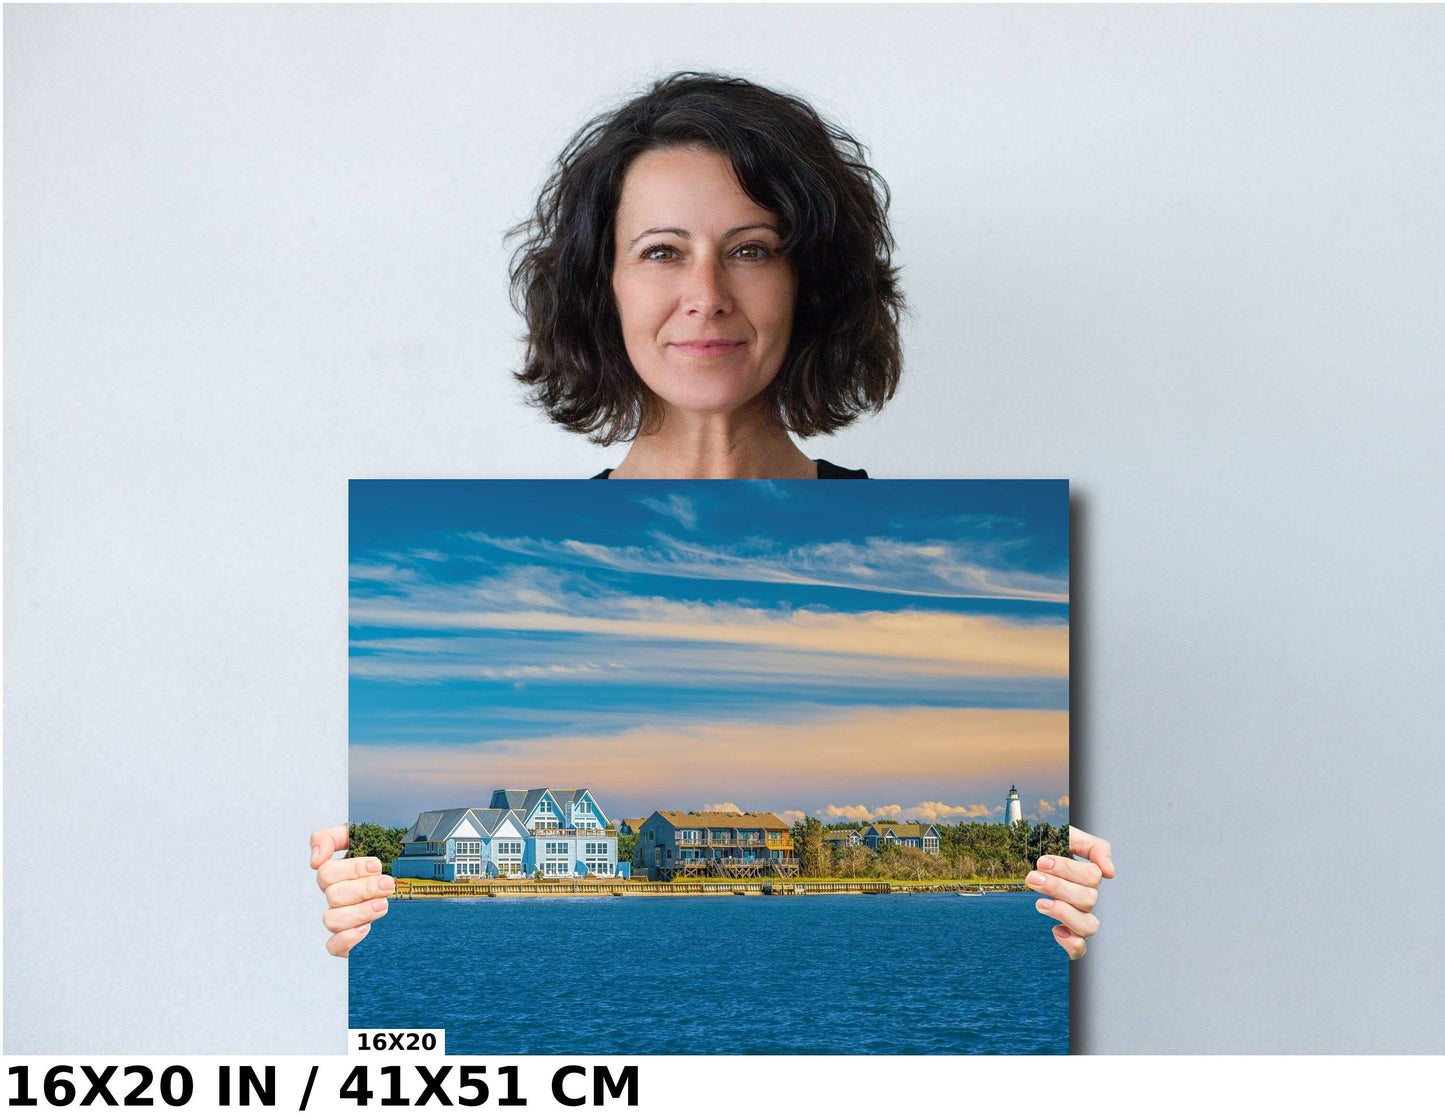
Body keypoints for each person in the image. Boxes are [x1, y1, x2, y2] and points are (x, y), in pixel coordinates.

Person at [313, 71, 1114, 958]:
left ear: (809, 283)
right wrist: (366, 926)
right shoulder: (470, 570)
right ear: (601, 285)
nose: (707, 294)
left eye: (752, 249)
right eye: (661, 251)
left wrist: (1066, 932)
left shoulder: (979, 566)